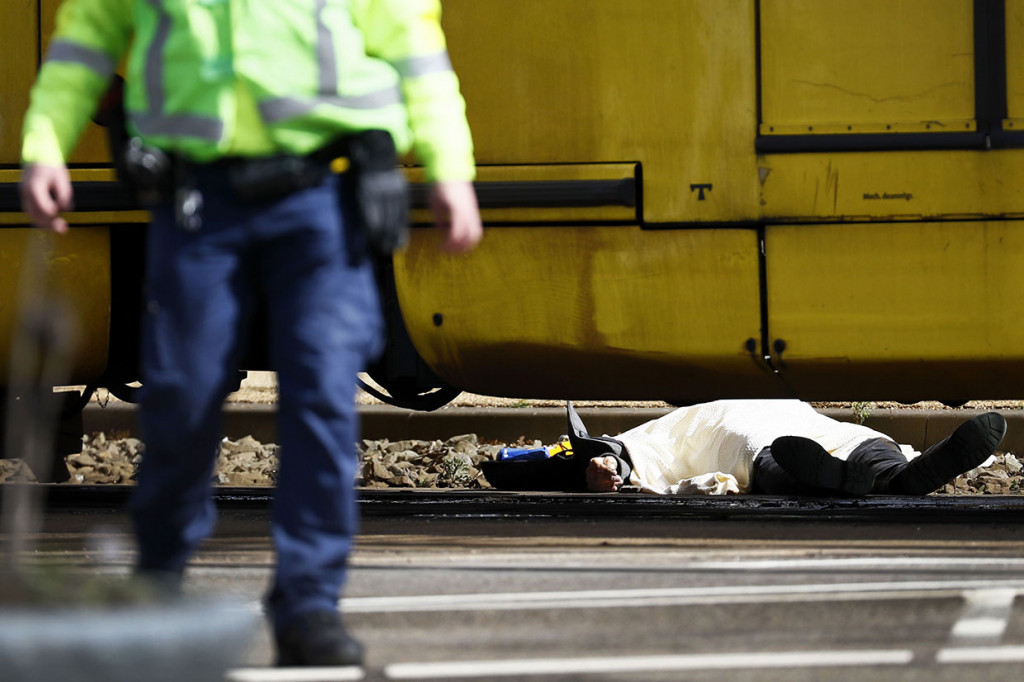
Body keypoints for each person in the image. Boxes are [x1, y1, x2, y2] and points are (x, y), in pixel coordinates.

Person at [20, 0, 482, 668]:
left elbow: (414, 44)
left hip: (323, 196)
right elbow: (86, 37)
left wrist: (450, 165)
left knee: (321, 397)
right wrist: (44, 145)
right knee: (181, 396)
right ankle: (158, 583)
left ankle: (308, 605)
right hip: (198, 202)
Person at [482, 401, 1007, 498]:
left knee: (774, 463)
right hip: (812, 431)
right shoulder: (648, 436)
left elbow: (646, 452)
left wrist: (603, 466)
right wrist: (602, 468)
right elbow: (632, 454)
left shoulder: (672, 427)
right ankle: (904, 476)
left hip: (764, 442)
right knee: (870, 451)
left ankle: (867, 482)